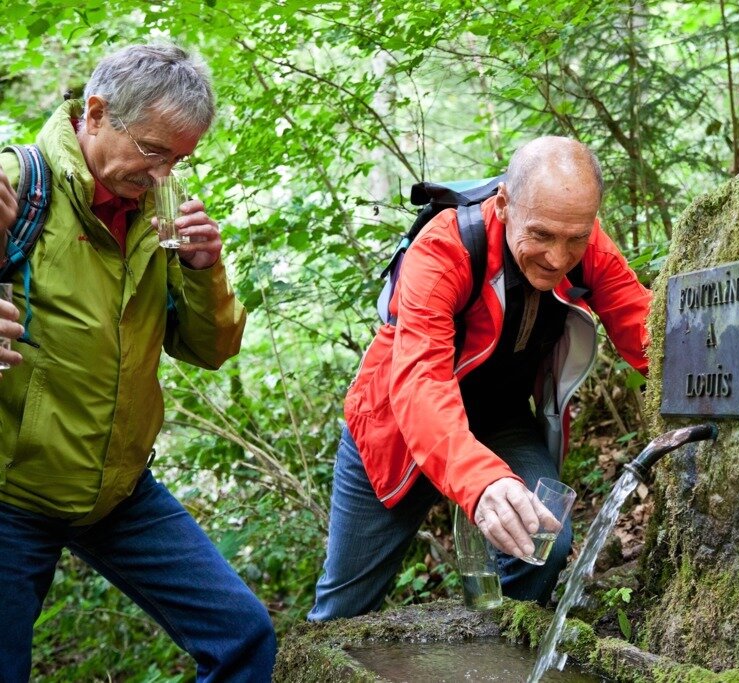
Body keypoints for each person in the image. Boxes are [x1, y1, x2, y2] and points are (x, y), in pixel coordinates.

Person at [0, 44, 276, 681]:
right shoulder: (19, 188)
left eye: (180, 158)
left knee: (243, 635)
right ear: (95, 114)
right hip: (12, 494)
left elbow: (210, 351)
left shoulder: (160, 213)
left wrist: (206, 274)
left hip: (119, 490)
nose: (164, 174)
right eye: (155, 151)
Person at [309, 136, 652, 620]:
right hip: (396, 429)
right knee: (344, 607)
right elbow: (420, 384)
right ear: (505, 204)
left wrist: (711, 378)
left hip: (498, 420)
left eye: (576, 238)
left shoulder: (582, 239)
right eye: (542, 236)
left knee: (543, 542)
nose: (559, 258)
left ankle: (503, 649)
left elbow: (644, 330)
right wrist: (482, 481)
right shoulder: (445, 248)